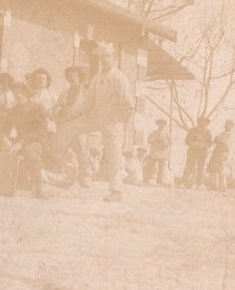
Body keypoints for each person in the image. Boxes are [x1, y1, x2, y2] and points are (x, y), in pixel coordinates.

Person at [57, 45, 134, 201]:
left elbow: (128, 105)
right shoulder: (96, 79)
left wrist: (123, 126)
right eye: (102, 57)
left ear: (114, 58)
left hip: (114, 119)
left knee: (113, 153)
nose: (104, 60)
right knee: (69, 127)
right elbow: (88, 104)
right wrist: (71, 113)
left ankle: (116, 191)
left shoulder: (119, 78)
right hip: (96, 116)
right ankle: (57, 169)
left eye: (107, 56)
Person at [53, 65, 90, 186]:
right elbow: (56, 107)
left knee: (82, 151)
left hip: (79, 126)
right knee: (61, 150)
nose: (72, 78)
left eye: (74, 76)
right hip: (64, 126)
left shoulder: (86, 93)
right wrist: (59, 111)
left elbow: (89, 108)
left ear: (80, 77)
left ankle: (84, 177)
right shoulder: (64, 93)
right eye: (69, 76)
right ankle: (60, 175)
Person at [181, 116, 213, 188]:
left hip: (202, 152)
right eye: (201, 122)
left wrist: (204, 145)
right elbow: (187, 141)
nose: (203, 124)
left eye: (205, 123)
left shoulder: (208, 132)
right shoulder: (192, 131)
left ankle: (198, 184)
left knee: (200, 168)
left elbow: (210, 143)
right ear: (198, 123)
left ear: (206, 124)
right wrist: (194, 144)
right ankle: (184, 182)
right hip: (193, 151)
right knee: (189, 167)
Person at [143, 119, 171, 186]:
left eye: (162, 124)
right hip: (154, 153)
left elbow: (170, 143)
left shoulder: (166, 134)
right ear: (158, 125)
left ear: (164, 125)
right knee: (150, 166)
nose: (161, 126)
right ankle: (146, 180)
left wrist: (164, 141)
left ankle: (159, 182)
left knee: (161, 169)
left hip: (162, 153)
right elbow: (149, 140)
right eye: (159, 124)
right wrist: (156, 140)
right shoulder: (153, 133)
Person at [208, 119, 234, 191]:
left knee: (221, 168)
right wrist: (217, 139)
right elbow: (216, 139)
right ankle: (214, 186)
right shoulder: (223, 133)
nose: (226, 126)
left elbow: (222, 140)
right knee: (214, 167)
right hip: (218, 150)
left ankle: (223, 187)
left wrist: (218, 139)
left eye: (228, 125)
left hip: (223, 151)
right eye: (226, 124)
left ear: (231, 126)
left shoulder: (230, 134)